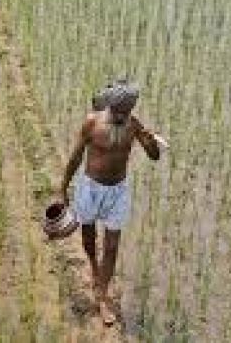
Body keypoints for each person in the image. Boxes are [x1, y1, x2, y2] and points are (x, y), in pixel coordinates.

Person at [59, 80, 161, 325]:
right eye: (118, 112)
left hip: (118, 191)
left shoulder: (133, 125)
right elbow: (75, 157)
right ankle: (94, 266)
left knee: (113, 246)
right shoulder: (92, 123)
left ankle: (102, 296)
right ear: (110, 106)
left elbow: (155, 157)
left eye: (126, 112)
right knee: (88, 238)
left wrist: (150, 142)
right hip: (90, 189)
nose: (122, 117)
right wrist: (62, 188)